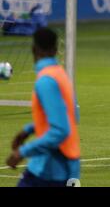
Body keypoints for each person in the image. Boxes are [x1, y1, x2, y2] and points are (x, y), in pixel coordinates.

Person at [5, 28, 80, 186]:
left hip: (52, 168)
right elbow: (72, 115)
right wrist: (29, 130)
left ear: (33, 49)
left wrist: (22, 152)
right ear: (55, 50)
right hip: (64, 164)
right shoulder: (60, 74)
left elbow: (60, 129)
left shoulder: (46, 81)